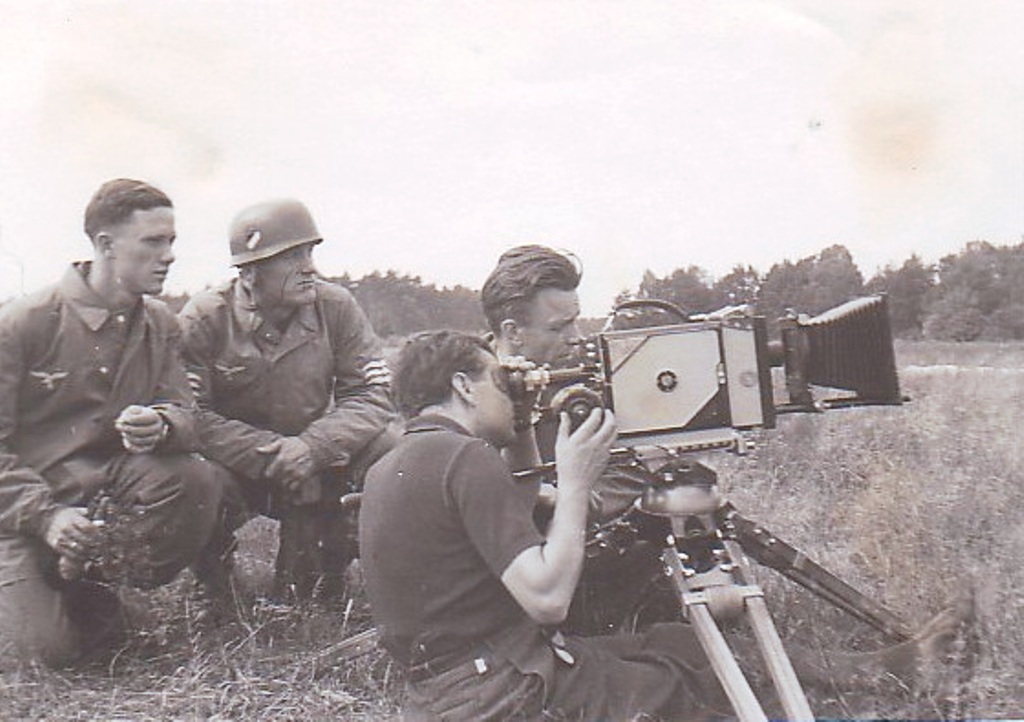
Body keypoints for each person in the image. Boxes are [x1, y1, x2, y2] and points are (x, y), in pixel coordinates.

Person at [360, 330, 724, 720]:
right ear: (464, 387)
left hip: (450, 696)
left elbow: (510, 518)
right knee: (692, 681)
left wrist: (523, 421)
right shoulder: (465, 456)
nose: (510, 395)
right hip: (510, 690)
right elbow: (548, 600)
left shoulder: (394, 465)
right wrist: (576, 484)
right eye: (501, 384)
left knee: (671, 641)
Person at [0, 179, 229, 665]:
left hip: (97, 502)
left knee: (194, 478)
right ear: (105, 245)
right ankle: (46, 588)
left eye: (171, 242)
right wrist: (45, 517)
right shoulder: (23, 324)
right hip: (16, 513)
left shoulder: (160, 323)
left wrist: (162, 424)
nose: (168, 256)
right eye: (152, 242)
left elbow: (190, 415)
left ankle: (90, 583)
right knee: (46, 655)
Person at [178, 199, 396, 603]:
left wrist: (314, 447)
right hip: (238, 465)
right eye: (291, 257)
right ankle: (213, 585)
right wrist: (272, 454)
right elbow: (191, 415)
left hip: (314, 460)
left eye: (310, 252)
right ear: (249, 272)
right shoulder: (205, 317)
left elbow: (372, 394)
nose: (308, 266)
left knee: (388, 449)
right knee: (196, 478)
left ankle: (329, 565)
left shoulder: (336, 307)